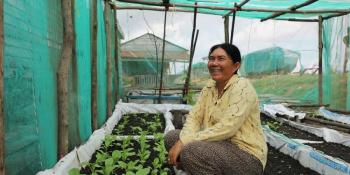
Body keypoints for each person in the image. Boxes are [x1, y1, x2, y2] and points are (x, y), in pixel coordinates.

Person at [165, 43, 267, 175]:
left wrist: (185, 142)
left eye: (221, 59)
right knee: (172, 138)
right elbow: (195, 117)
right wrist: (182, 141)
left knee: (191, 150)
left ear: (236, 65)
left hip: (246, 155)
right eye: (211, 58)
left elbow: (227, 127)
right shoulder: (210, 87)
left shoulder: (242, 88)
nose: (214, 63)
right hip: (217, 146)